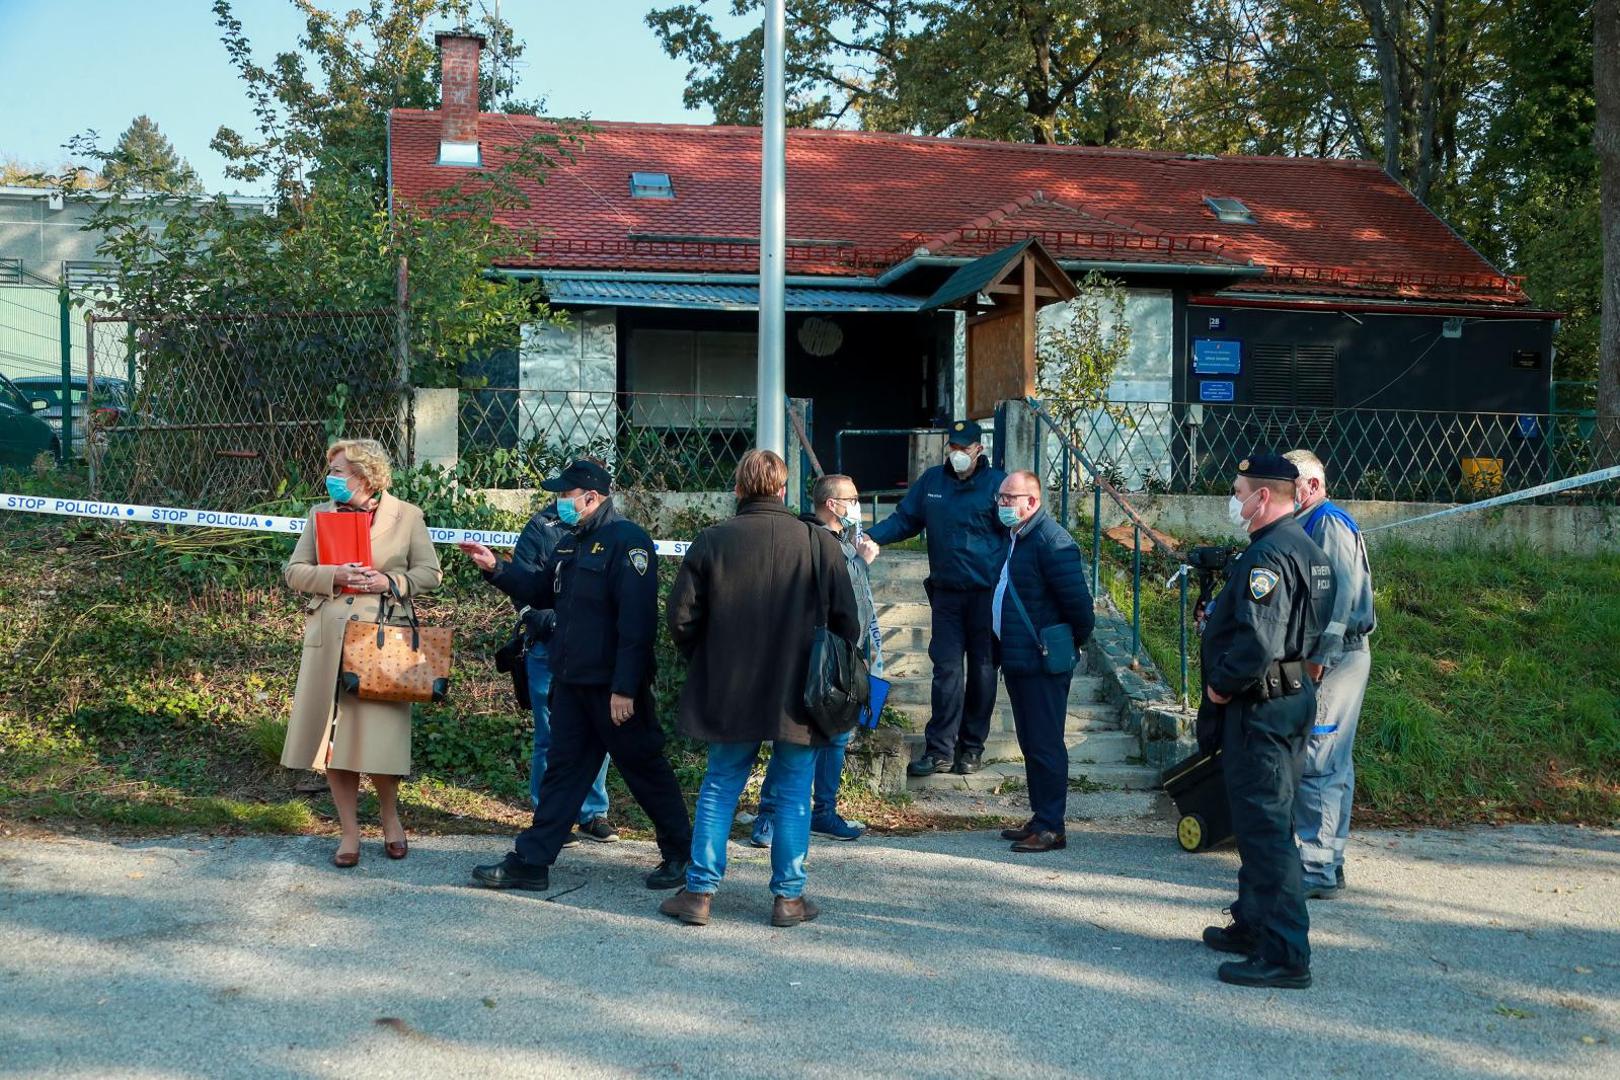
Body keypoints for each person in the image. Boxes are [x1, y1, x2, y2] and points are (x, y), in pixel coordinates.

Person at [460, 460, 692, 893]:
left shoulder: (628, 542)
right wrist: (496, 568)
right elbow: (538, 590)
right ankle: (530, 862)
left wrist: (625, 688)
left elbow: (637, 623)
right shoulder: (571, 543)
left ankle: (683, 855)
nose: (558, 503)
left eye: (565, 496)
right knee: (563, 773)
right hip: (572, 684)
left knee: (645, 769)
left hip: (612, 690)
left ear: (591, 497)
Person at [659, 450, 862, 928]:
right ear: (784, 490)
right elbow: (847, 624)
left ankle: (700, 893)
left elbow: (681, 618)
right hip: (800, 693)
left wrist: (709, 660)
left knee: (720, 786)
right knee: (794, 793)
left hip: (730, 687)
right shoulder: (818, 543)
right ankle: (788, 899)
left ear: (737, 490)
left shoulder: (712, 540)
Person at [1199, 453, 1335, 990]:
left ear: (1261, 498)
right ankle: (1254, 924)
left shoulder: (1269, 557)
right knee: (1257, 822)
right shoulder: (1304, 546)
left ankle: (1284, 953)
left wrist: (1221, 682)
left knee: (1269, 829)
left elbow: (1260, 639)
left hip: (1262, 704)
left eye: (1237, 492)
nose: (1233, 501)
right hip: (1288, 696)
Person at [281, 438, 443, 868]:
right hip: (330, 641)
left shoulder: (407, 516)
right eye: (330, 470)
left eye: (338, 472)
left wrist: (389, 582)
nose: (330, 479)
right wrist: (334, 574)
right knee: (334, 742)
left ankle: (391, 820)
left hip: (381, 641)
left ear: (367, 476)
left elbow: (430, 572)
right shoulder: (320, 515)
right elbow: (294, 572)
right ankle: (348, 832)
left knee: (381, 739)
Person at [865, 419, 1007, 777]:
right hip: (946, 596)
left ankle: (971, 748)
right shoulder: (932, 482)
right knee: (946, 672)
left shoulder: (996, 485)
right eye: (953, 447)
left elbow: (1017, 532)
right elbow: (905, 519)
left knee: (983, 673)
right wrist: (870, 537)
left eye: (964, 447)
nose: (957, 454)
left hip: (985, 597)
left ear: (979, 449)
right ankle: (940, 750)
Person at [752, 473, 882, 847]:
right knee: (793, 739)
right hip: (816, 654)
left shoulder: (843, 540)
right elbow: (834, 589)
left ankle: (823, 812)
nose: (857, 505)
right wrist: (862, 561)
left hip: (847, 654)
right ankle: (769, 816)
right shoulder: (810, 539)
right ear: (832, 504)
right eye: (852, 499)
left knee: (838, 737)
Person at [1284, 449, 1376, 900]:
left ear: (1313, 486)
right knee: (1330, 758)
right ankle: (1328, 863)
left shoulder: (1329, 523)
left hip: (1336, 658)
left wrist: (1320, 655)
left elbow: (1338, 598)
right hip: (1335, 655)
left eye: (1291, 487)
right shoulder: (1315, 521)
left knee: (1320, 755)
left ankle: (1317, 869)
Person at [499, 497, 617, 844]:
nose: (566, 498)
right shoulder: (541, 527)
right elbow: (524, 586)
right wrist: (548, 621)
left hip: (593, 652)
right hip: (546, 646)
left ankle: (593, 813)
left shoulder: (616, 529)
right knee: (550, 734)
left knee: (597, 733)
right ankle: (549, 815)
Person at [990, 471, 1095, 853]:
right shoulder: (1020, 538)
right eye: (999, 497)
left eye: (1008, 498)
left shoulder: (1051, 541)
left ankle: (1052, 826)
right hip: (1021, 659)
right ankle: (1040, 818)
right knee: (1032, 743)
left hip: (1042, 662)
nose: (1001, 504)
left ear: (1032, 502)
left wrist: (1061, 646)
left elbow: (1081, 610)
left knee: (1046, 744)